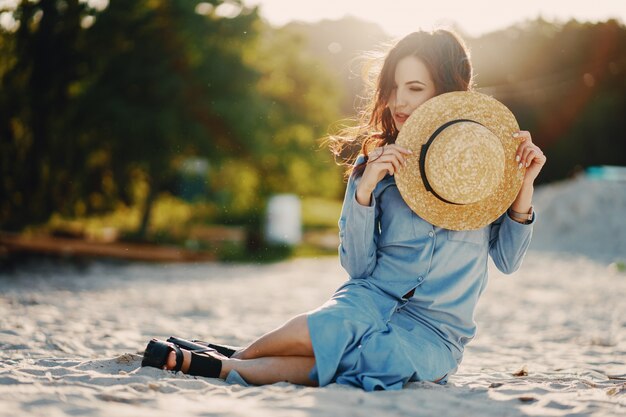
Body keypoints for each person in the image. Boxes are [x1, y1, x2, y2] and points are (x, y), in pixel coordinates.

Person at [141, 28, 546, 391]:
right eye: (393, 88)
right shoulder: (375, 166)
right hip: (369, 299)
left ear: (445, 92)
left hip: (435, 334)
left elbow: (507, 261)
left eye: (415, 88)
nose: (397, 102)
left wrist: (523, 185)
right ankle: (239, 358)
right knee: (329, 330)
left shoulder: (488, 172)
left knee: (371, 361)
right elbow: (357, 267)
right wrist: (365, 191)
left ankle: (225, 365)